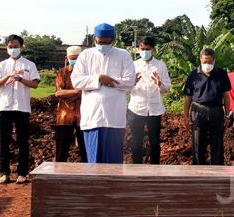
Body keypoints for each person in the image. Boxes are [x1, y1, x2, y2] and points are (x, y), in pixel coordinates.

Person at [71, 23, 135, 163]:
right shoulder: (85, 55)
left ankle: (114, 185)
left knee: (113, 161)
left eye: (106, 43)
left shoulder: (123, 55)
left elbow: (130, 81)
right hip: (93, 116)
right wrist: (98, 79)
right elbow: (76, 81)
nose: (102, 45)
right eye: (99, 42)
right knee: (94, 162)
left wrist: (110, 81)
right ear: (94, 39)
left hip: (114, 117)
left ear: (112, 40)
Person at [0, 34, 40, 184]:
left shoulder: (29, 65)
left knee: (22, 141)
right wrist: (9, 76)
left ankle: (22, 173)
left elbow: (35, 84)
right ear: (6, 48)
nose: (13, 49)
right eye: (10, 47)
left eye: (16, 47)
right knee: (4, 140)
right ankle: (4, 172)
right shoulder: (2, 65)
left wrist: (20, 79)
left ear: (21, 47)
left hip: (22, 107)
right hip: (4, 106)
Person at [183, 48, 231, 165]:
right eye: (205, 62)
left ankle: (217, 170)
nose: (207, 64)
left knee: (217, 142)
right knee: (198, 141)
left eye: (210, 62)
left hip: (217, 110)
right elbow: (188, 97)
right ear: (200, 60)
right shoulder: (193, 74)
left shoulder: (221, 74)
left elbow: (226, 95)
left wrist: (227, 113)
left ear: (214, 60)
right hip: (198, 111)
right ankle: (198, 170)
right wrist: (185, 115)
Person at [128, 36, 171, 164]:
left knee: (155, 142)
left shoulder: (160, 65)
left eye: (148, 49)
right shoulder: (133, 65)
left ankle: (155, 169)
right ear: (138, 49)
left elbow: (167, 88)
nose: (145, 51)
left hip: (154, 109)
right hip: (136, 108)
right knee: (136, 142)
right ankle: (136, 168)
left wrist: (160, 84)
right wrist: (132, 83)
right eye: (142, 49)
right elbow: (125, 87)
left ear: (153, 49)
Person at [54, 46, 87, 162]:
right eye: (72, 58)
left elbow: (92, 91)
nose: (74, 61)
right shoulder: (62, 73)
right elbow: (58, 93)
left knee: (85, 150)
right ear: (67, 58)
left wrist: (70, 95)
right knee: (61, 150)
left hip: (84, 116)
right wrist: (78, 92)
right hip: (65, 116)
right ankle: (59, 174)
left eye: (77, 58)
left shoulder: (87, 74)